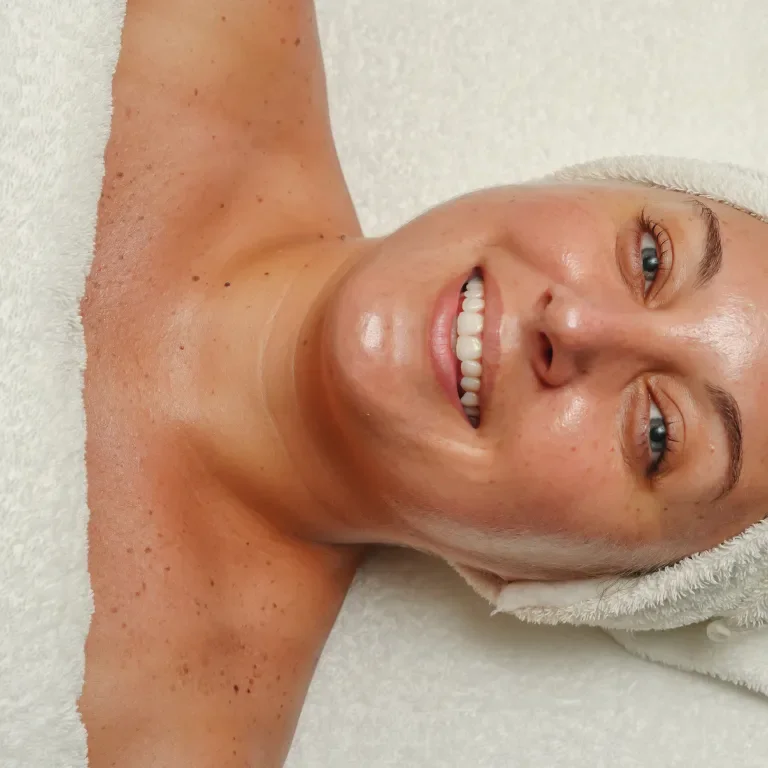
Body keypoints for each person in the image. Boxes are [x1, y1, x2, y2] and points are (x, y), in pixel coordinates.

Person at [76, 0, 768, 765]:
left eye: (658, 434)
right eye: (651, 258)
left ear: (576, 584)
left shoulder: (147, 739)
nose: (574, 326)